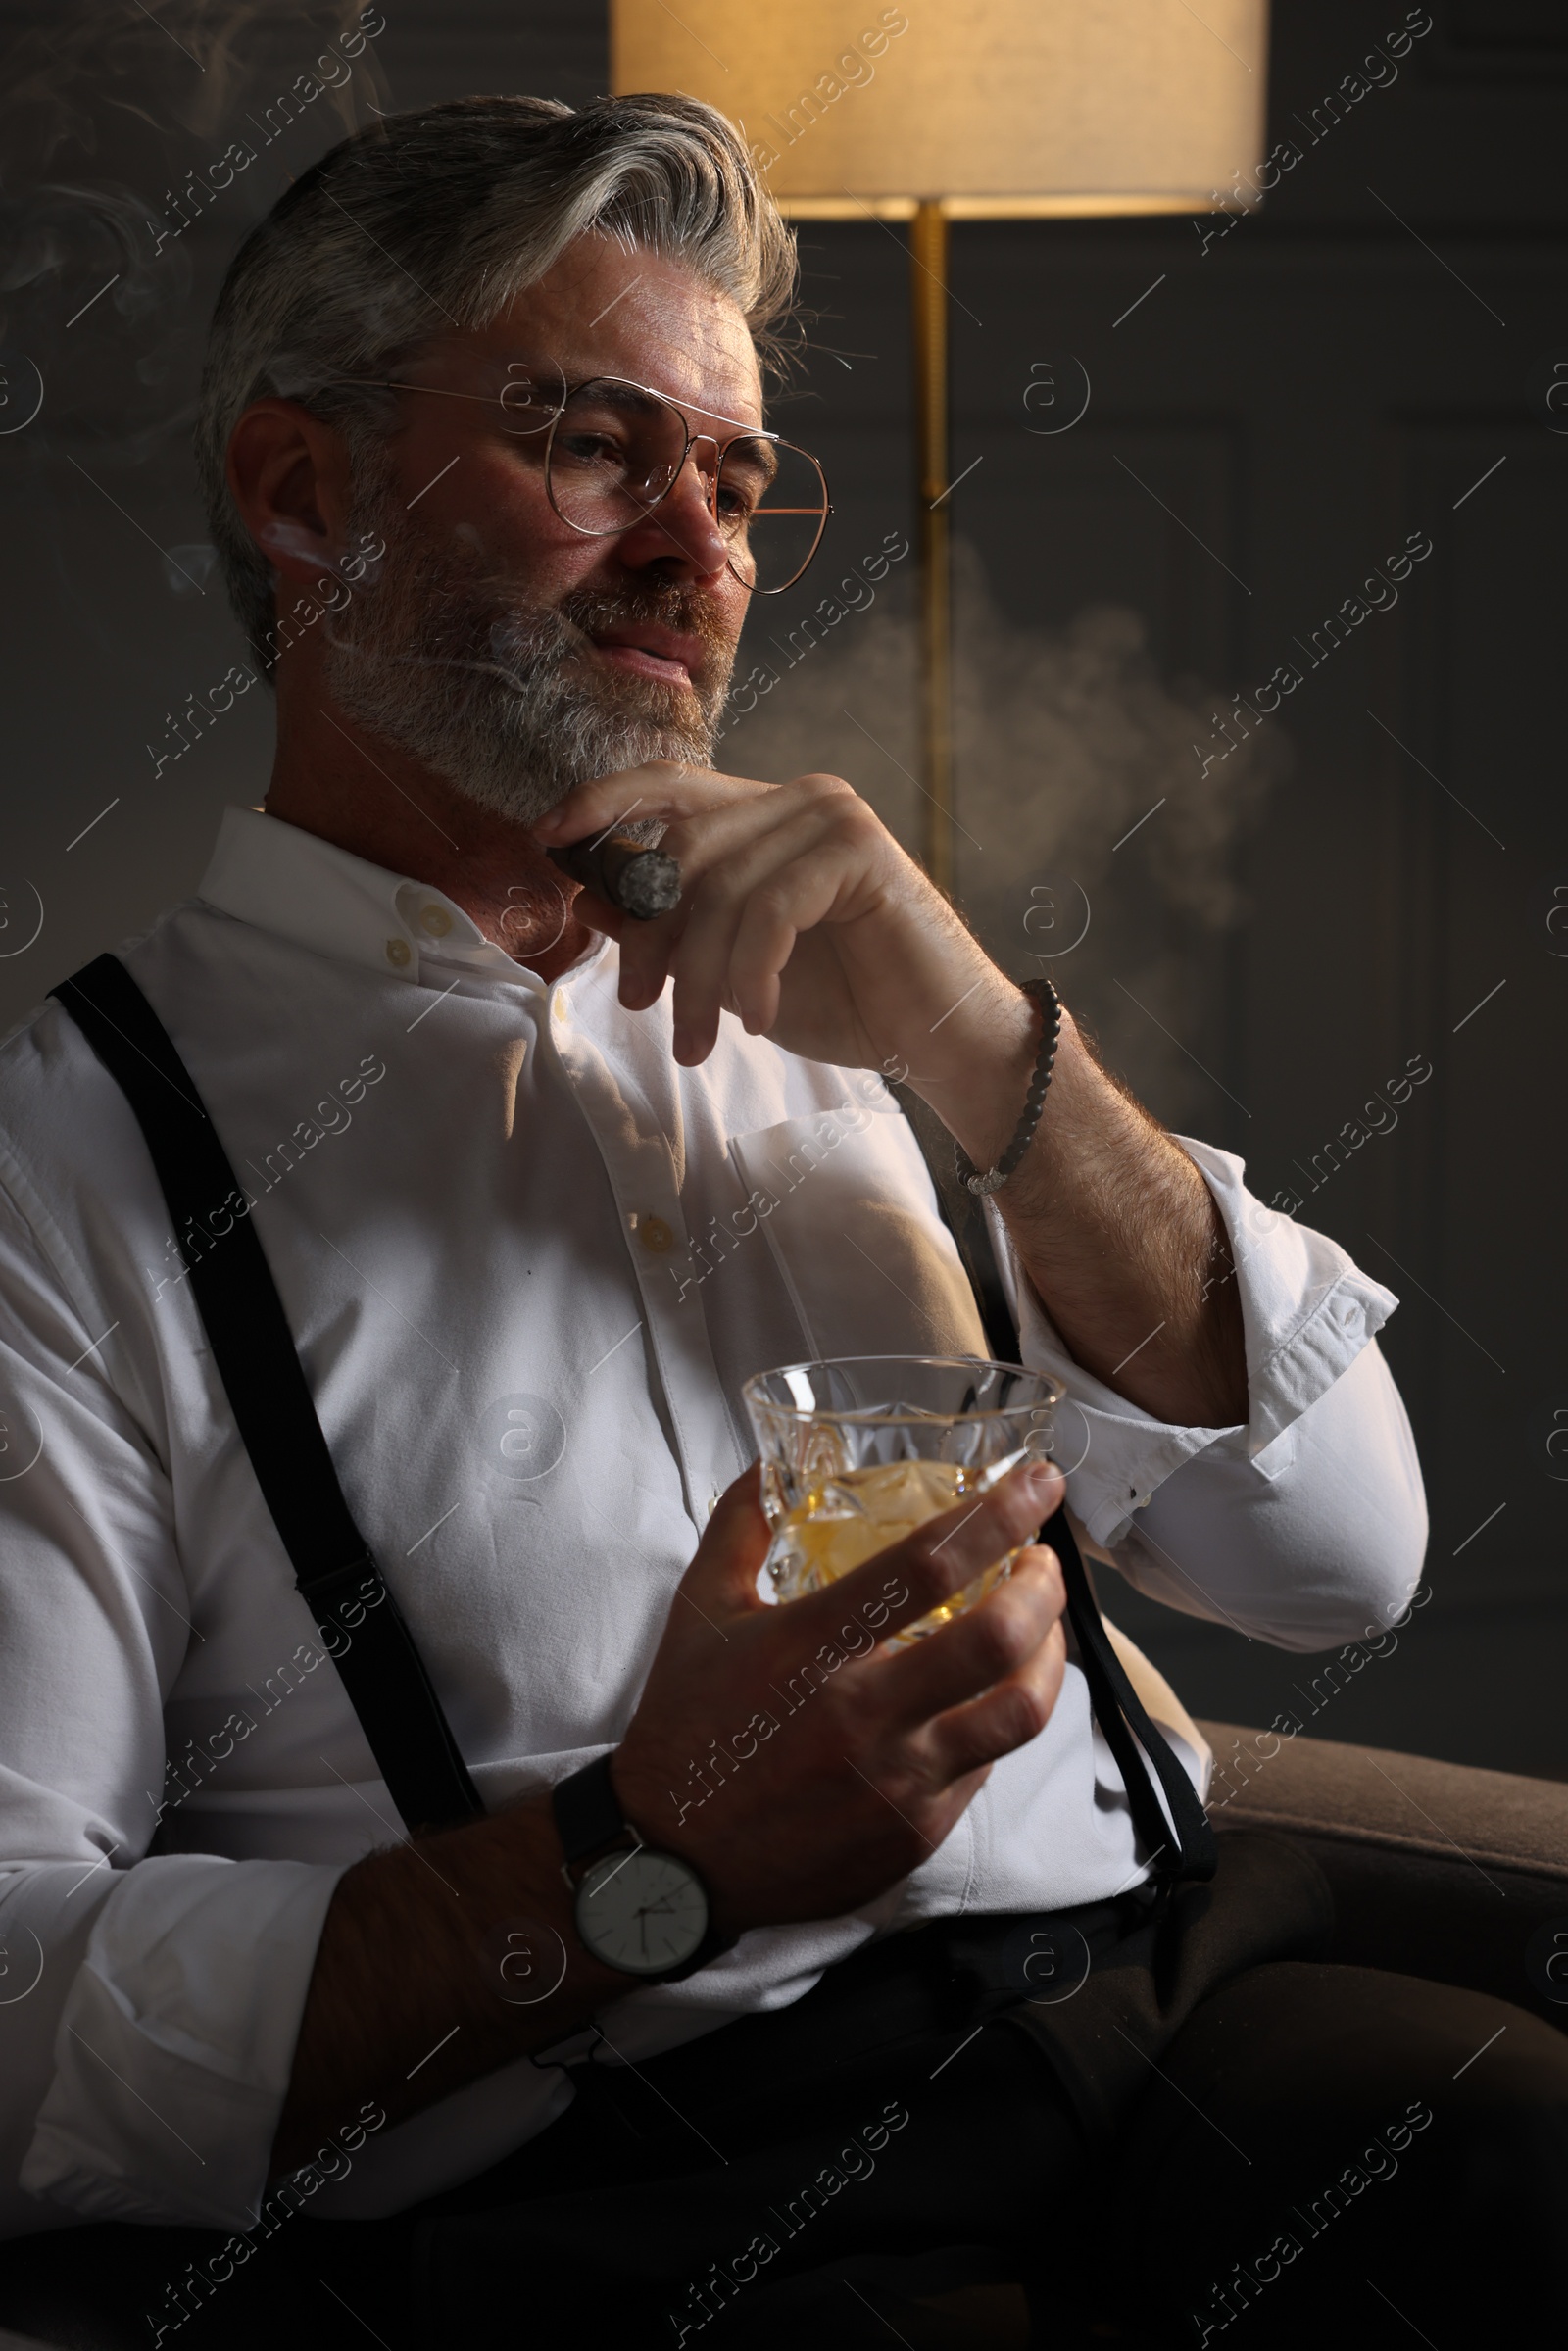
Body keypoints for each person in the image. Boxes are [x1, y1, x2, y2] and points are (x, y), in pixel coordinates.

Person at [0, 92, 1560, 2351]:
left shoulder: (858, 1008)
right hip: (653, 2178)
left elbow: (1333, 1561)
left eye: (730, 480)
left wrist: (979, 1040)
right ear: (302, 491)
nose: (695, 547)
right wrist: (647, 1857)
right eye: (591, 445)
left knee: (1503, 2152)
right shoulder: (70, 1167)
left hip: (1149, 2013)